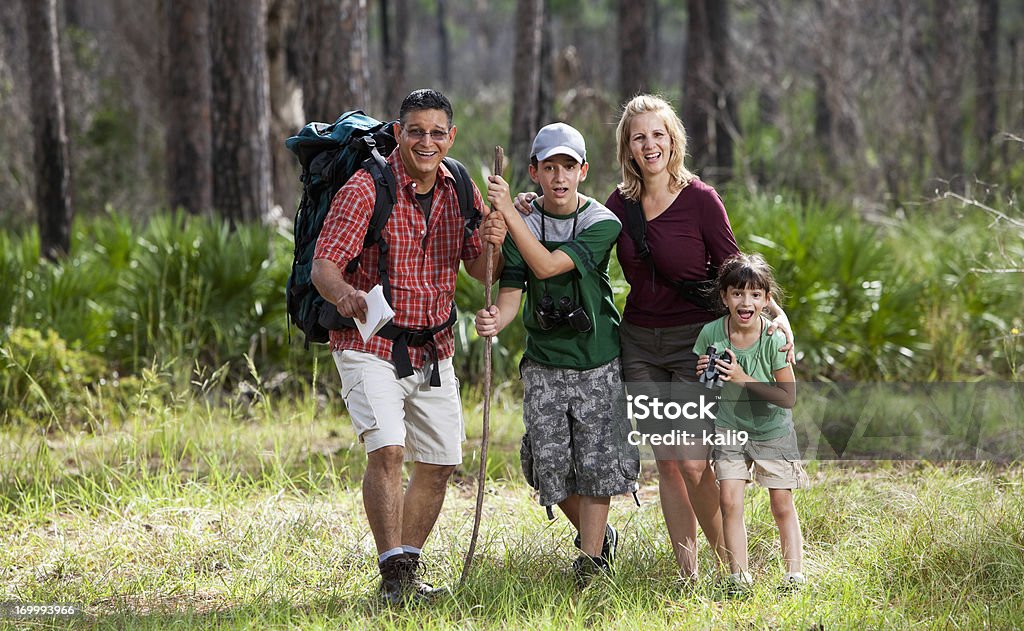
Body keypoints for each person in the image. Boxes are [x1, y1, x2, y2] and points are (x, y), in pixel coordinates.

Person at [514, 94, 793, 583]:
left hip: (694, 342)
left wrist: (776, 318)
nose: (649, 145)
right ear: (627, 146)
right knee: (667, 464)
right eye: (638, 136)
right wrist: (525, 204)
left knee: (691, 461)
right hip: (639, 342)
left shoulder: (701, 199)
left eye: (658, 134)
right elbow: (565, 214)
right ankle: (688, 574)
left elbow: (735, 271)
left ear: (673, 140)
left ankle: (732, 564)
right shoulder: (618, 204)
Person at [311, 89, 506, 604]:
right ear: (398, 133)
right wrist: (346, 294)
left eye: (437, 132)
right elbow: (324, 266)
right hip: (368, 341)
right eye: (415, 131)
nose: (426, 141)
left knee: (440, 462)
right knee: (389, 451)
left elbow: (480, 270)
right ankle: (393, 576)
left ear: (451, 137)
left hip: (435, 344)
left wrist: (496, 240)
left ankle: (407, 570)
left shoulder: (461, 185)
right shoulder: (365, 187)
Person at [475, 122, 640, 587]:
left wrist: (509, 212)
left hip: (598, 360)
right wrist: (497, 320)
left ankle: (591, 563)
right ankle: (599, 536)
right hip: (545, 363)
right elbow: (512, 290)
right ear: (535, 172)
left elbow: (547, 265)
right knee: (545, 465)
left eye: (569, 166)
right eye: (550, 167)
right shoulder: (522, 220)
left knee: (598, 464)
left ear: (583, 170)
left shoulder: (601, 222)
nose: (560, 176)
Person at [694, 252, 807, 595]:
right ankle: (739, 578)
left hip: (772, 429)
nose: (746, 302)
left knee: (781, 504)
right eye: (738, 294)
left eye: (755, 295)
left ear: (767, 300)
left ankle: (794, 576)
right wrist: (704, 376)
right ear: (725, 297)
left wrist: (743, 379)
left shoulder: (773, 338)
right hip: (729, 427)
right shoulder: (712, 333)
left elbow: (788, 397)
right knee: (729, 500)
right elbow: (708, 386)